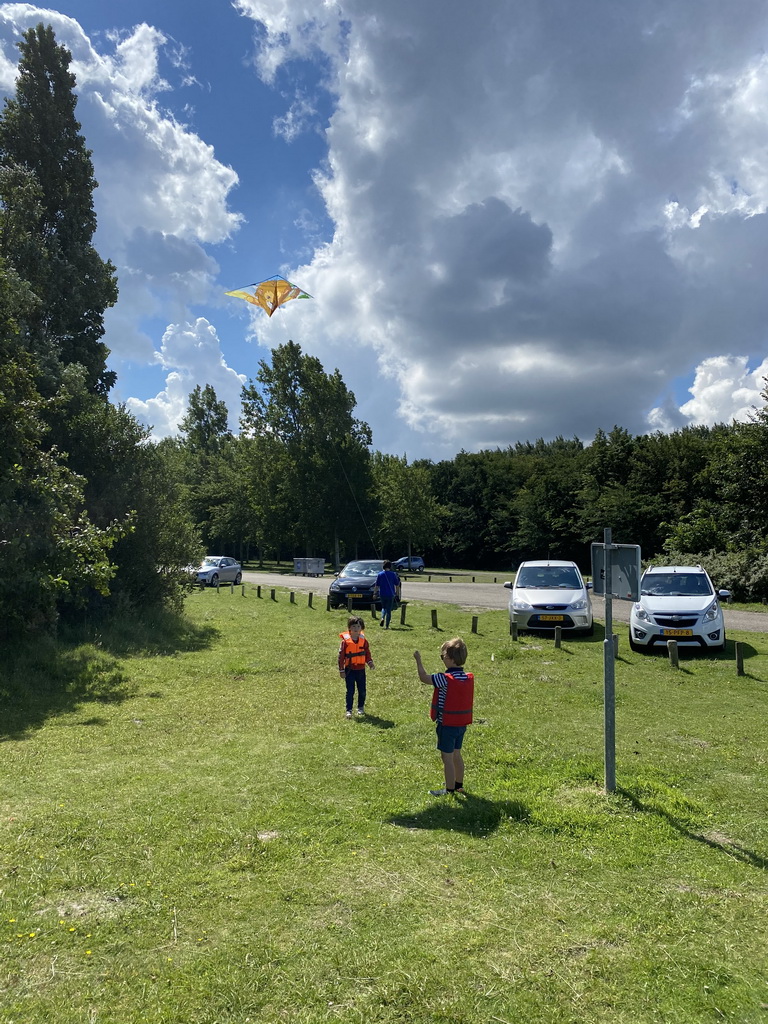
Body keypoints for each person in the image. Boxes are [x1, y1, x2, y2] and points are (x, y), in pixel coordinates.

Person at [413, 637, 474, 796]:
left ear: (451, 659)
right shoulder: (466, 677)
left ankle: (449, 789)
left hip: (447, 725)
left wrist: (418, 660)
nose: (442, 659)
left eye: (443, 657)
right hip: (461, 724)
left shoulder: (444, 678)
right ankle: (458, 785)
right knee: (456, 754)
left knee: (446, 758)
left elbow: (424, 678)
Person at [338, 616, 375, 718]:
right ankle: (349, 710)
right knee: (350, 691)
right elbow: (341, 657)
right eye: (353, 626)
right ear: (349, 628)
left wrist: (370, 662)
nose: (355, 628)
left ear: (361, 628)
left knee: (362, 690)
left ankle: (360, 708)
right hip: (349, 670)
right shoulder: (345, 642)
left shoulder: (364, 641)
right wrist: (341, 670)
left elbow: (367, 653)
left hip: (361, 670)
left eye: (358, 626)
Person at [376, 560, 401, 629]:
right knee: (389, 610)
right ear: (390, 566)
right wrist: (397, 593)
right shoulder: (393, 574)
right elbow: (397, 584)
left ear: (383, 566)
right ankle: (387, 626)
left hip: (382, 594)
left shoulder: (380, 574)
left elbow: (377, 585)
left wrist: (375, 593)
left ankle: (382, 618)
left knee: (383, 607)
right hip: (390, 594)